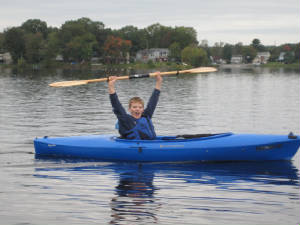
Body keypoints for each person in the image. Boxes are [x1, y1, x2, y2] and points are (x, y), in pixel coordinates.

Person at [108, 72, 162, 140]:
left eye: (140, 107)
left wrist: (159, 81)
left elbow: (153, 100)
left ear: (143, 109)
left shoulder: (146, 116)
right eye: (134, 107)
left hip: (150, 144)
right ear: (129, 109)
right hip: (134, 146)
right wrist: (111, 85)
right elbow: (116, 104)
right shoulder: (126, 119)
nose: (137, 109)